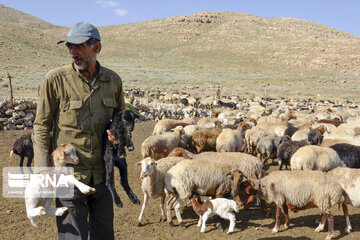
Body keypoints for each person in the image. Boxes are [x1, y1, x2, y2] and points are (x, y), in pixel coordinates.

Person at [33, 22, 125, 240]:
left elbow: (121, 120)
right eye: (69, 47)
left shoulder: (113, 81)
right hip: (68, 176)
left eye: (79, 46)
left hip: (102, 175)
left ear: (97, 47)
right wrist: (42, 168)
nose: (73, 53)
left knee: (104, 235)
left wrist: (117, 133)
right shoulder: (56, 79)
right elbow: (41, 125)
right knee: (73, 237)